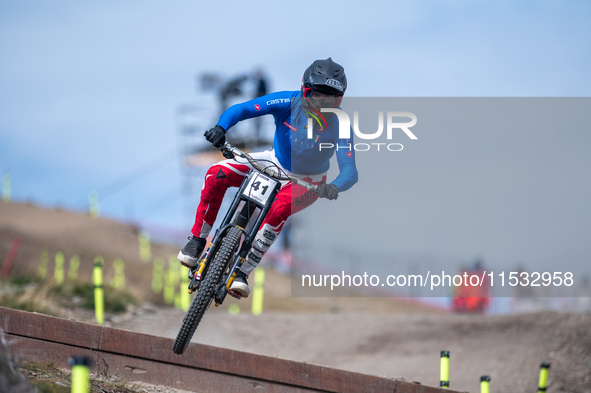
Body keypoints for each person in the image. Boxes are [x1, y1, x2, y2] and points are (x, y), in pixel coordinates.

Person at [177, 58, 358, 299]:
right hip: (274, 160)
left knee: (278, 209)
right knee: (215, 174)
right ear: (304, 89)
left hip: (310, 179)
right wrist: (221, 127)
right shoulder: (286, 100)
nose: (322, 103)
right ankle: (197, 240)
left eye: (331, 99)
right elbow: (241, 110)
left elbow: (350, 170)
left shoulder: (341, 123)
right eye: (316, 96)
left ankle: (242, 273)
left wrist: (334, 186)